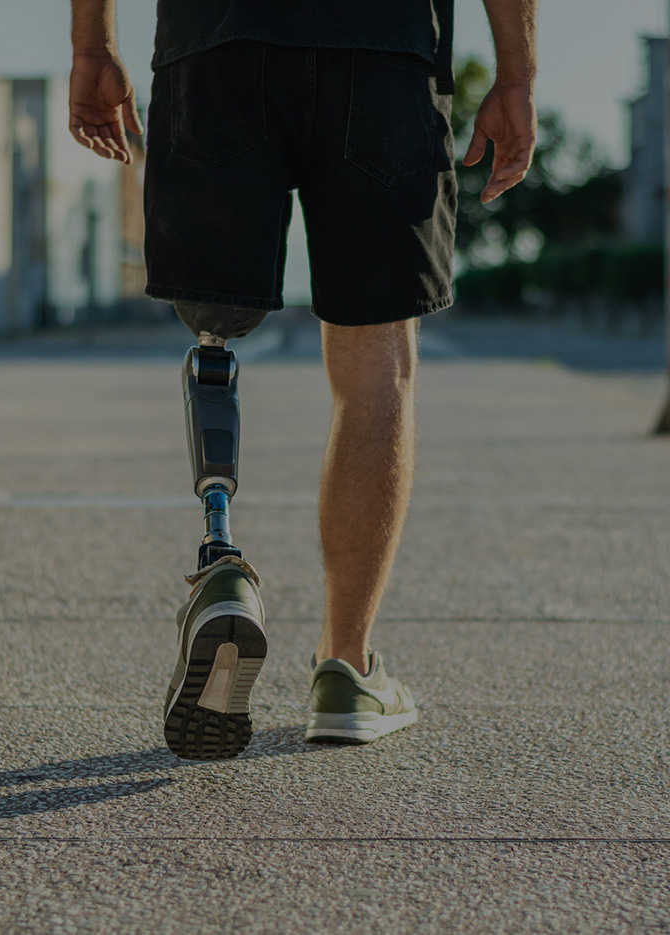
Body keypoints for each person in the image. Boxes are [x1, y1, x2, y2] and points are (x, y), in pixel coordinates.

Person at [69, 0, 537, 760]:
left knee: (214, 327)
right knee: (377, 357)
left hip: (214, 40)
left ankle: (220, 557)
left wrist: (93, 44)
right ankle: (346, 669)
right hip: (382, 48)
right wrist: (517, 72)